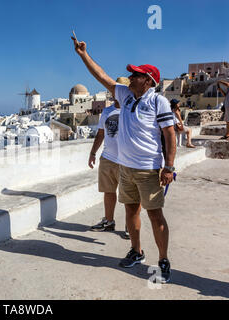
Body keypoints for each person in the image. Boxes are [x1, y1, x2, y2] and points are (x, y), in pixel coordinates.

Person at [72, 36, 176, 283]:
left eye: (136, 75)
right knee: (130, 211)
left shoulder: (157, 101)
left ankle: (163, 259)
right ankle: (136, 251)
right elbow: (102, 76)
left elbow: (170, 134)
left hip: (148, 169)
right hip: (125, 168)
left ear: (149, 81)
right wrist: (83, 54)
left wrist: (169, 167)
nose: (130, 77)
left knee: (155, 215)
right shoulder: (125, 95)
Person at [89, 77, 137, 239]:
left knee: (129, 196)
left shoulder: (132, 110)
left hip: (127, 160)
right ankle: (109, 221)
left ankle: (129, 226)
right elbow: (101, 133)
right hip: (108, 158)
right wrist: (93, 152)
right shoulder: (107, 111)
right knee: (108, 192)